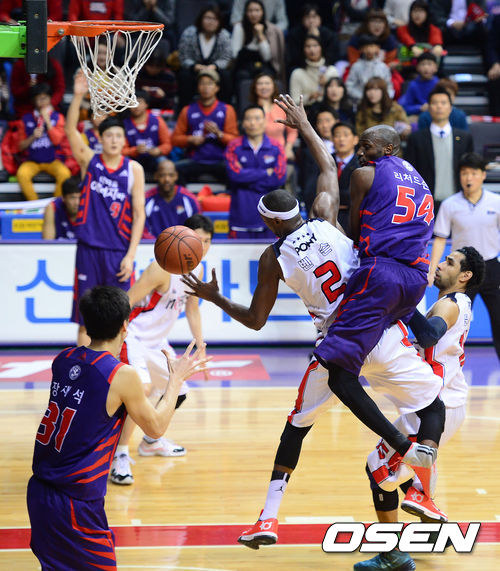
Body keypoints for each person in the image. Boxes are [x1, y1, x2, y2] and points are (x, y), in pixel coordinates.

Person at [183, 96, 443, 546]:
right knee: (431, 404)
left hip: (339, 337)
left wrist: (215, 296)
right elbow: (326, 163)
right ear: (299, 210)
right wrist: (304, 124)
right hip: (382, 329)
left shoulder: (273, 258)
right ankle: (422, 489)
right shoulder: (325, 215)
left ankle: (268, 519)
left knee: (297, 427)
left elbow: (255, 321)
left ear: (269, 224)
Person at [27, 285, 208, 570]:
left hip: (39, 492)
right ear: (126, 325)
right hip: (74, 502)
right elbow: (156, 427)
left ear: (86, 322)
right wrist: (175, 380)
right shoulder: (120, 375)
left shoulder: (62, 360)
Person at [355, 246, 485, 571]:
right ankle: (427, 504)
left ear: (465, 276)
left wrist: (402, 300)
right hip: (438, 403)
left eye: (450, 262)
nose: (440, 264)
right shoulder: (458, 303)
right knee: (391, 465)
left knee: (378, 468)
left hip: (436, 406)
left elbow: (428, 336)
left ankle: (394, 553)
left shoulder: (450, 304)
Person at [110, 215, 213, 485]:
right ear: (184, 238)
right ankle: (120, 454)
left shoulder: (199, 271)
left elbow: (192, 309)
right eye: (198, 240)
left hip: (157, 343)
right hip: (134, 336)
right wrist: (113, 339)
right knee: (141, 390)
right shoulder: (160, 269)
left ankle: (150, 441)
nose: (202, 246)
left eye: (207, 241)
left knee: (178, 391)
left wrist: (201, 346)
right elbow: (126, 301)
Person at [66, 71, 146, 347]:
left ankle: (114, 368)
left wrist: (131, 255)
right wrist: (78, 95)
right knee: (85, 319)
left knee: (120, 318)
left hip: (118, 252)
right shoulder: (91, 162)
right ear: (100, 139)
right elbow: (70, 131)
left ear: (124, 140)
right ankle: (85, 367)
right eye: (108, 135)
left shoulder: (134, 169)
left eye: (118, 136)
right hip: (89, 248)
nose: (113, 140)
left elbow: (139, 215)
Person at [428, 152, 500, 360]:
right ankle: (442, 366)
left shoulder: (496, 201)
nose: (469, 178)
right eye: (464, 173)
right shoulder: (450, 204)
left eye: (474, 173)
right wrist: (432, 270)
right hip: (461, 273)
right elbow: (440, 239)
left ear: (483, 175)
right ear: (459, 176)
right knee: (454, 323)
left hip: (492, 268)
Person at [405, 86, 474, 210]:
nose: (439, 106)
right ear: (429, 107)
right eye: (435, 103)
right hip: (426, 203)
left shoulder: (465, 138)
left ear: (450, 108)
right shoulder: (416, 139)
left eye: (443, 103)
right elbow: (411, 173)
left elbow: (470, 169)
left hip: (458, 200)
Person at [225, 104, 287, 239]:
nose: (253, 123)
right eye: (248, 119)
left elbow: (279, 178)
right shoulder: (233, 146)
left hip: (270, 219)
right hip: (240, 218)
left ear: (265, 122)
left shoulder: (276, 147)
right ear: (243, 123)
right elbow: (234, 175)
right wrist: (265, 173)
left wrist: (245, 177)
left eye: (257, 118)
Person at [171, 69, 239, 185]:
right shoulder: (188, 110)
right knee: (173, 170)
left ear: (217, 88)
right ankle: (184, 196)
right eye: (202, 83)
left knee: (236, 171)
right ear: (198, 87)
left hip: (220, 159)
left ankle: (228, 196)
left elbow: (235, 141)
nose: (206, 87)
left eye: (209, 83)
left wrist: (219, 134)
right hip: (195, 159)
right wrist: (190, 139)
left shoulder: (227, 109)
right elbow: (175, 139)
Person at [16, 83, 73, 201]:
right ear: (33, 100)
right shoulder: (26, 119)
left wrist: (47, 120)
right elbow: (20, 147)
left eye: (45, 98)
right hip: (32, 161)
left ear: (50, 98)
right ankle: (36, 204)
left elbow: (57, 141)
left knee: (65, 173)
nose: (42, 102)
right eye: (39, 98)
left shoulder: (58, 117)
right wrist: (33, 136)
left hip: (53, 160)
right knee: (22, 174)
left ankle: (54, 204)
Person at [177, 4, 233, 108]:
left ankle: (225, 108)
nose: (211, 22)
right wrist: (195, 66)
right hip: (194, 69)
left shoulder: (224, 35)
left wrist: (214, 66)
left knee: (226, 76)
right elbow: (183, 56)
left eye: (214, 19)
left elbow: (226, 58)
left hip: (215, 70)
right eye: (207, 18)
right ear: (201, 19)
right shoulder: (189, 33)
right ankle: (184, 109)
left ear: (219, 21)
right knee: (184, 75)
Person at [231, 0, 286, 85]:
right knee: (242, 76)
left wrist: (260, 35)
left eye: (257, 10)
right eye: (250, 11)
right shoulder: (239, 27)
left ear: (263, 12)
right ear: (246, 13)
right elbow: (235, 54)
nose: (253, 14)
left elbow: (267, 57)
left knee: (267, 76)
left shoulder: (269, 28)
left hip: (263, 65)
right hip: (244, 65)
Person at [123, 89, 172, 178]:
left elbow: (168, 144)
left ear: (146, 104)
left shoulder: (157, 121)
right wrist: (135, 150)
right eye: (132, 102)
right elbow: (122, 150)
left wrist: (159, 150)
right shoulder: (124, 124)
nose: (136, 105)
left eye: (139, 102)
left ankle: (165, 185)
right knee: (124, 161)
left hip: (154, 157)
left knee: (164, 162)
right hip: (134, 158)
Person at [144, 160, 200, 238]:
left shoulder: (190, 200)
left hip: (183, 244)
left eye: (170, 175)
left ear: (176, 176)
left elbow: (197, 230)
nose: (167, 179)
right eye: (162, 175)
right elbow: (142, 232)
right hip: (153, 244)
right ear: (156, 176)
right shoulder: (145, 200)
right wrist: (160, 243)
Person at [299, 108, 337, 214]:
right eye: (320, 122)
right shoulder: (309, 152)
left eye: (328, 120)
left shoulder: (348, 150)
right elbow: (307, 183)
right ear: (316, 126)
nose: (325, 125)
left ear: (337, 122)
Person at [286, 4, 340, 75]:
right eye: (307, 17)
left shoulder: (329, 35)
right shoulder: (294, 35)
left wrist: (318, 38)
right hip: (302, 69)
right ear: (302, 19)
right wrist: (308, 38)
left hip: (324, 68)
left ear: (320, 18)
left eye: (314, 17)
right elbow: (293, 59)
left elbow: (331, 58)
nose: (311, 21)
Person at [289, 35, 339, 108]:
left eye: (315, 46)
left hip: (329, 110)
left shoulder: (332, 71)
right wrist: (309, 97)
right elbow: (294, 101)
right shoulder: (297, 73)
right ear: (303, 50)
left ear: (321, 48)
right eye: (308, 46)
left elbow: (339, 97)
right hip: (307, 111)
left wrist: (327, 85)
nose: (312, 50)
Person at [396, 0, 444, 73]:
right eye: (415, 11)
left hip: (428, 69)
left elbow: (436, 40)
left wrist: (438, 46)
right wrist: (413, 47)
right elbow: (406, 38)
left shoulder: (434, 30)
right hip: (408, 68)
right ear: (410, 13)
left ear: (427, 13)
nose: (417, 14)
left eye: (421, 11)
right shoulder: (402, 29)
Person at [345, 35, 394, 103]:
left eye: (371, 46)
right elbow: (349, 86)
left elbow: (389, 86)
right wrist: (364, 96)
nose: (369, 50)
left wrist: (382, 97)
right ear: (361, 49)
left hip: (380, 101)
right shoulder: (356, 67)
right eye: (366, 47)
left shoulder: (383, 67)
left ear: (377, 48)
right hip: (361, 101)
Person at [332, 121, 359, 232]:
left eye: (346, 135)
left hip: (351, 218)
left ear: (355, 139)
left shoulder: (361, 163)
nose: (341, 139)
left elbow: (356, 196)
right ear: (332, 139)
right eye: (337, 135)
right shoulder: (324, 161)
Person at [398, 51, 439, 119]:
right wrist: (420, 108)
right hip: (417, 116)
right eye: (422, 64)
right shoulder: (413, 85)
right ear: (417, 67)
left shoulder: (439, 84)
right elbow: (404, 106)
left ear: (436, 67)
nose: (426, 67)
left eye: (429, 64)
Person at [42, 176, 81, 240]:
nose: (77, 203)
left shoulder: (90, 207)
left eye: (80, 197)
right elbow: (48, 242)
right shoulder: (52, 207)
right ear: (63, 198)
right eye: (72, 198)